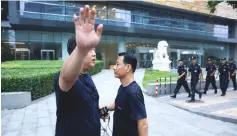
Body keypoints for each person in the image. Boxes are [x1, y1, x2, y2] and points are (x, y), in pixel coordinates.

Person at [54, 5, 103, 136]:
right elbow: (66, 78)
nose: (93, 54)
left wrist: (97, 113)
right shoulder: (66, 79)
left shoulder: (87, 76)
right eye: (90, 50)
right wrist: (82, 48)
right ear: (75, 53)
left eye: (94, 49)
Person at [101, 52, 148, 136]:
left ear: (128, 67)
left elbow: (143, 124)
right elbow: (118, 104)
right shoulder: (122, 87)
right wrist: (105, 108)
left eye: (118, 64)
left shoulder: (133, 93)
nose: (114, 68)